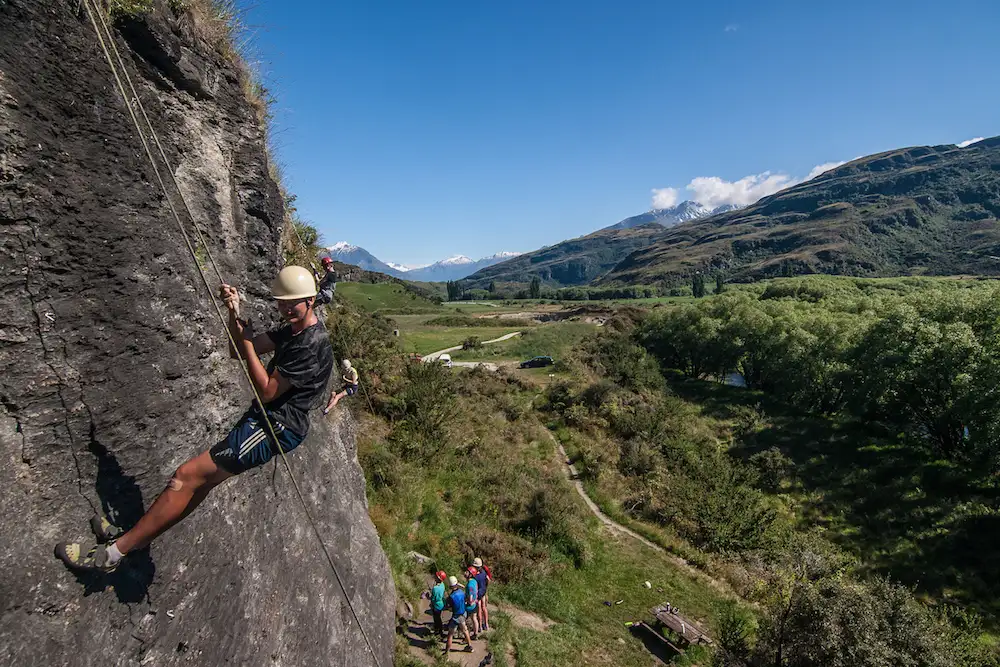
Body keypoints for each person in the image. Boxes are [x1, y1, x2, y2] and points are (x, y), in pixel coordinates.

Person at [55, 266, 334, 572]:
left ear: (310, 300)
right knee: (198, 484)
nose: (285, 308)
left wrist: (251, 342)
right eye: (280, 303)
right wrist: (234, 313)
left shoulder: (312, 343)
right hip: (267, 420)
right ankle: (137, 539)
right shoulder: (292, 330)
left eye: (291, 303)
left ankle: (110, 556)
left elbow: (267, 389)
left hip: (276, 427)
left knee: (185, 477)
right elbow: (237, 352)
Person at [444, 575, 474, 655]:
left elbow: (448, 608)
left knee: (450, 634)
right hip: (463, 614)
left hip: (456, 616)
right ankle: (470, 646)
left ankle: (446, 652)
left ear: (450, 586)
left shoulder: (451, 597)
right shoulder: (462, 592)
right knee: (465, 630)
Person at [472, 557, 492, 631]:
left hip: (478, 593)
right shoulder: (484, 572)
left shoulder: (475, 576)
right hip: (484, 591)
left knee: (479, 609)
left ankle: (480, 626)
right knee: (484, 608)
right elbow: (488, 580)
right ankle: (486, 624)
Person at [430, 570, 448, 638]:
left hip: (436, 605)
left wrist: (429, 597)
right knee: (438, 618)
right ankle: (438, 631)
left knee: (436, 618)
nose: (435, 577)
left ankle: (438, 631)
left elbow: (433, 599)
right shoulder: (442, 585)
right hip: (441, 604)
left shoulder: (435, 588)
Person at [465, 566, 481, 639]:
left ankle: (466, 638)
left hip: (470, 605)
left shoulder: (469, 584)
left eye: (467, 572)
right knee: (474, 619)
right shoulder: (474, 581)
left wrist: (468, 601)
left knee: (466, 622)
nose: (465, 573)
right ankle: (475, 634)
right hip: (475, 603)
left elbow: (471, 595)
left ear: (470, 574)